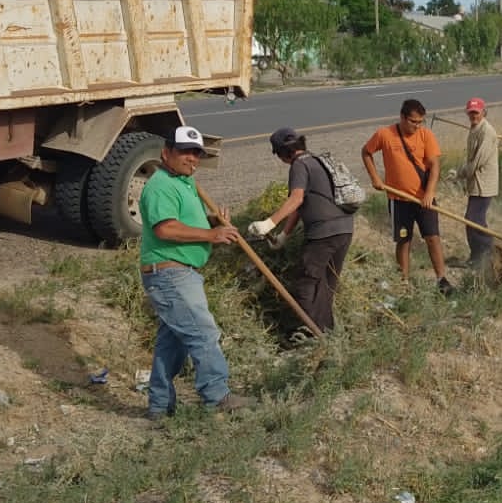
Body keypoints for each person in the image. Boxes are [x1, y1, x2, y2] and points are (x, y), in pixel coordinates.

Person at [138, 125, 254, 418]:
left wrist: (213, 222)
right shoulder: (160, 185)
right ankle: (216, 396)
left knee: (173, 343)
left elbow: (185, 220)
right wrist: (210, 235)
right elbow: (166, 228)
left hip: (181, 271)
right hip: (170, 273)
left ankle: (160, 406)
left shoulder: (183, 182)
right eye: (185, 152)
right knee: (203, 332)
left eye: (196, 153)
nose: (192, 159)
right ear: (167, 153)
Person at [247, 127, 355, 335]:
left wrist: (268, 224)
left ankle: (314, 336)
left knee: (306, 283)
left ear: (282, 152)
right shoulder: (318, 161)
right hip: (345, 229)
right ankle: (329, 334)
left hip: (324, 233)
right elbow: (301, 205)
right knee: (325, 285)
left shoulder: (299, 165)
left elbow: (296, 198)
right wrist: (284, 235)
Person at [361, 99, 453, 294]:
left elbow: (434, 166)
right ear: (402, 117)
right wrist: (375, 177)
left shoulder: (426, 136)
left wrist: (429, 193)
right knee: (403, 240)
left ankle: (441, 278)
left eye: (420, 122)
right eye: (413, 121)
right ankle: (403, 281)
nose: (417, 126)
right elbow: (366, 152)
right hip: (398, 200)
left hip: (423, 199)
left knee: (432, 237)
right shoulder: (385, 135)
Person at [453, 98, 500, 276]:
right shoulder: (474, 129)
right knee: (473, 220)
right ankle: (478, 256)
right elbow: (470, 159)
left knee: (474, 220)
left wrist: (460, 174)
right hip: (475, 184)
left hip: (484, 184)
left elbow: (476, 163)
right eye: (471, 112)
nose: (473, 115)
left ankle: (487, 254)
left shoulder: (487, 132)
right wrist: (459, 172)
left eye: (476, 112)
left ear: (483, 112)